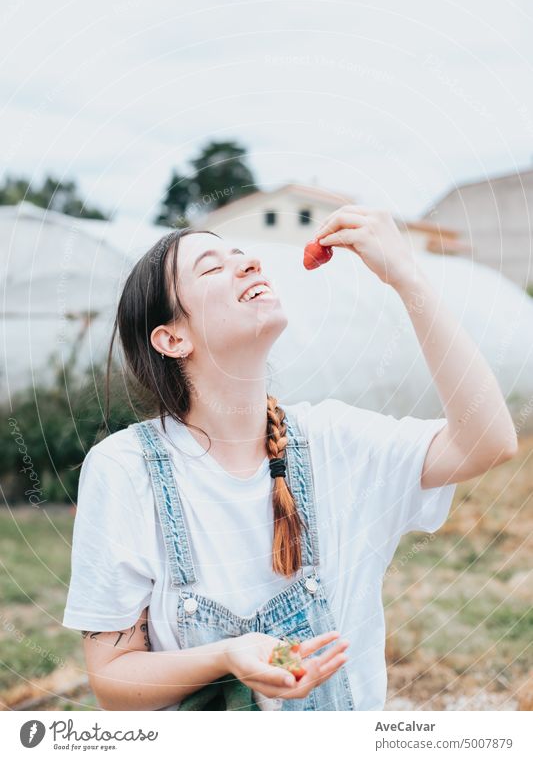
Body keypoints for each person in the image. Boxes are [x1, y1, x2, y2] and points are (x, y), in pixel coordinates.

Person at [62, 205, 518, 711]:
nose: (249, 263)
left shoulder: (336, 440)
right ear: (172, 338)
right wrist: (227, 657)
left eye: (242, 254)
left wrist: (408, 278)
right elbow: (114, 680)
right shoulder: (126, 469)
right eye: (212, 267)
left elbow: (489, 440)